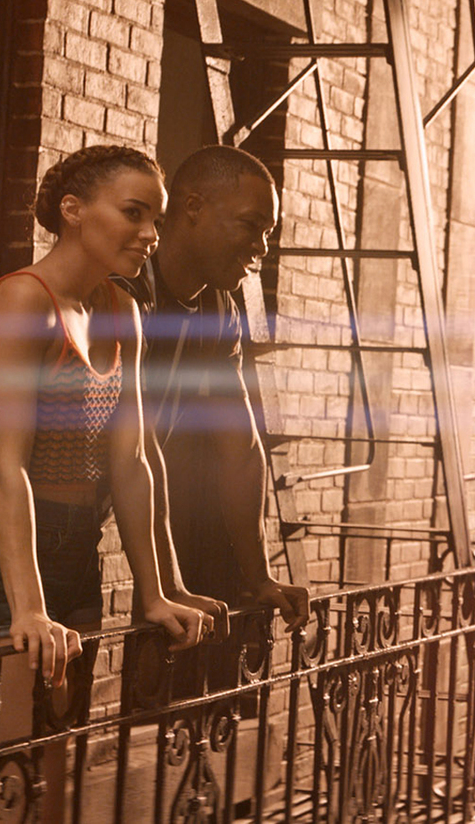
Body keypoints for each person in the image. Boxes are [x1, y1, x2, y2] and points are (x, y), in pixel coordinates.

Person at [0, 146, 210, 685]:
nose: (151, 233)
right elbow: (4, 467)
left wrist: (154, 593)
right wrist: (30, 608)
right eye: (134, 213)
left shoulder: (121, 310)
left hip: (79, 548)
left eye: (157, 218)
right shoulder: (22, 300)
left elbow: (132, 463)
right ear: (73, 210)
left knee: (58, 750)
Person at [116, 145, 308, 633]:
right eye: (250, 225)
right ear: (194, 208)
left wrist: (259, 576)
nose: (261, 248)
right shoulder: (123, 289)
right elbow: (133, 452)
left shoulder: (220, 307)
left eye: (268, 233)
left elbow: (241, 451)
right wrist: (166, 585)